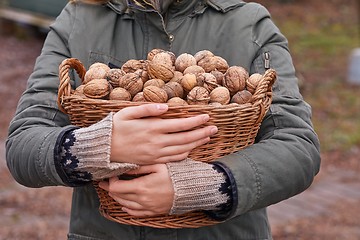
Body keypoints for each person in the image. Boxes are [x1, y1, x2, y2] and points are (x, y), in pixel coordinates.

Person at [5, 0, 321, 239]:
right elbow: (23, 146)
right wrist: (100, 145)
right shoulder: (80, 18)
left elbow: (297, 147)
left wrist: (205, 186)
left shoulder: (247, 22)